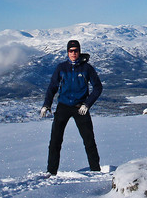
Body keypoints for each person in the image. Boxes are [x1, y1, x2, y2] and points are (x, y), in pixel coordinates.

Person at [40, 40, 103, 176]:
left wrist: (87, 104)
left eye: (75, 50)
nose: (73, 53)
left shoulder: (87, 68)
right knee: (55, 140)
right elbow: (52, 87)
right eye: (71, 51)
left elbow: (98, 87)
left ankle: (96, 171)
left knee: (89, 140)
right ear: (67, 52)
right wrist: (47, 104)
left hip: (80, 107)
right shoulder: (61, 68)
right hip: (63, 106)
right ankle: (51, 172)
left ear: (79, 51)